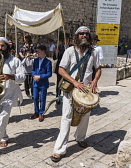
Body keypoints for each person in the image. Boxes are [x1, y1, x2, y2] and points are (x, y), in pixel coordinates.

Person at [51, 26, 101, 162]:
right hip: (71, 89)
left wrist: (95, 81)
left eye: (86, 34)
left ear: (89, 37)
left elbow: (98, 69)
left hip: (86, 91)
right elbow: (61, 70)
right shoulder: (69, 51)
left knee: (85, 116)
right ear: (76, 37)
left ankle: (80, 138)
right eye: (81, 34)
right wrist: (75, 82)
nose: (84, 35)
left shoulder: (93, 53)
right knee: (66, 117)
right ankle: (59, 149)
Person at [0, 37, 26, 160]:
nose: (0, 48)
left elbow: (22, 76)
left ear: (7, 47)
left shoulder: (15, 61)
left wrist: (11, 76)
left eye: (3, 46)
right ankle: (4, 136)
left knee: (2, 119)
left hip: (9, 95)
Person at [30, 44, 52, 122]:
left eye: (38, 51)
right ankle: (36, 112)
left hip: (43, 83)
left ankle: (41, 113)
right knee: (35, 97)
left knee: (42, 99)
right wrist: (34, 76)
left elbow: (49, 74)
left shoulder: (48, 62)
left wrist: (40, 77)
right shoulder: (35, 60)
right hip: (35, 82)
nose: (37, 53)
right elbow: (32, 70)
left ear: (43, 51)